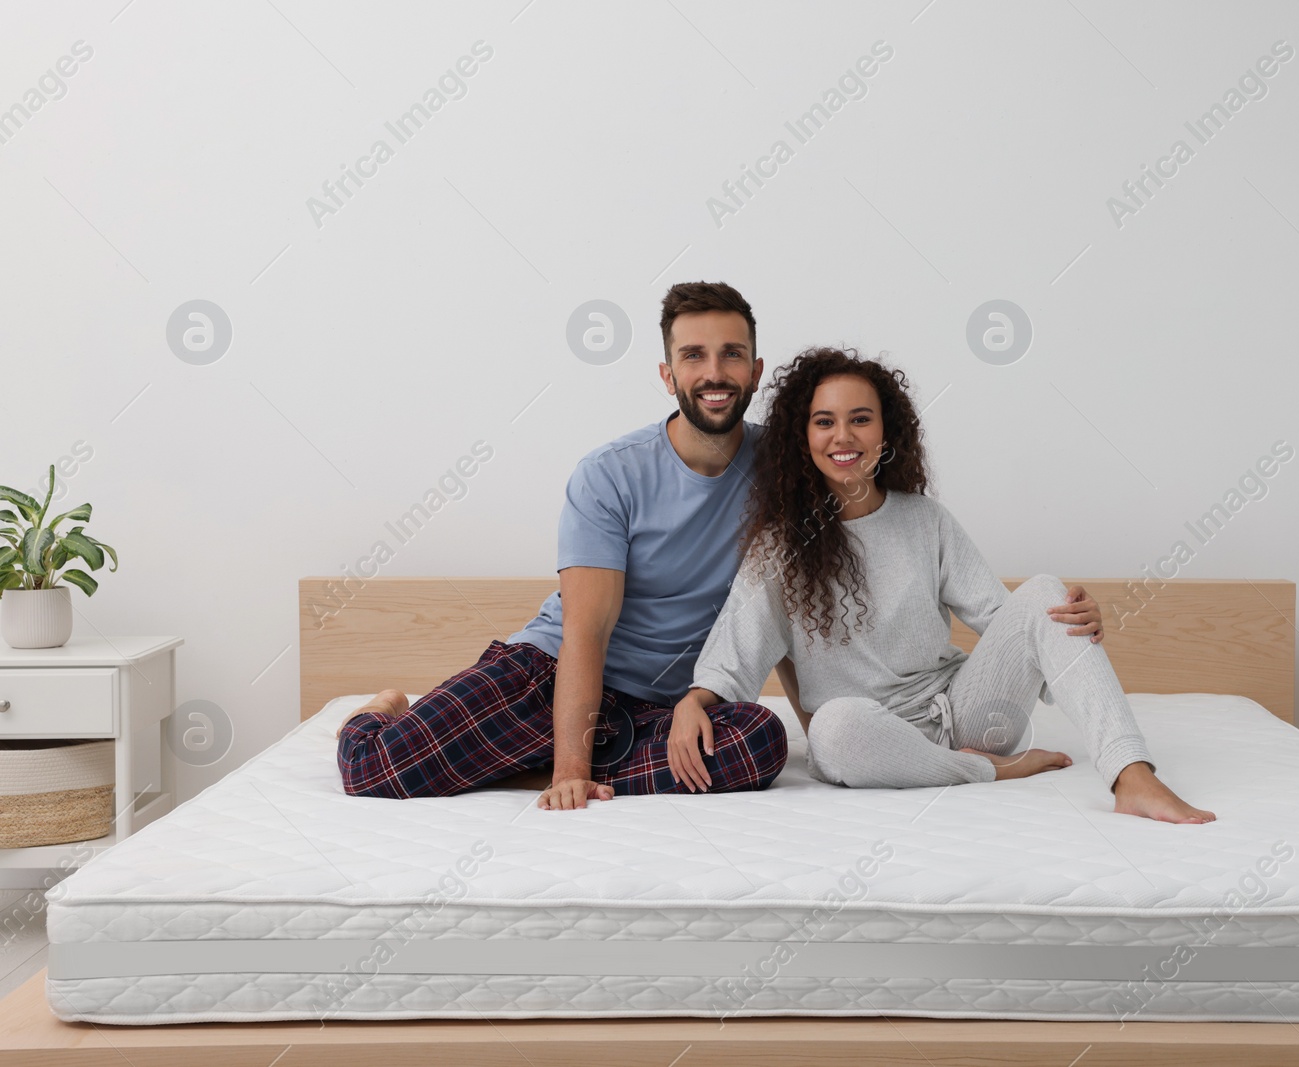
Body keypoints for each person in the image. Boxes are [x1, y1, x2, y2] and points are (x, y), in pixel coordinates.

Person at [677, 347, 1214, 824]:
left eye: (860, 419)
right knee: (832, 729)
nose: (843, 437)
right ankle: (988, 773)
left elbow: (1009, 620)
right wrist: (694, 701)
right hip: (870, 739)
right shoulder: (779, 546)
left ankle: (1132, 775)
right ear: (803, 437)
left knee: (1049, 591)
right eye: (824, 422)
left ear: (886, 432)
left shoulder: (925, 519)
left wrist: (1065, 628)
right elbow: (737, 649)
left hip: (967, 712)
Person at [336, 282, 788, 809]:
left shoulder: (784, 471)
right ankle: (386, 712)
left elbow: (799, 604)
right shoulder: (611, 474)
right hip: (550, 675)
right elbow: (586, 631)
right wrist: (570, 773)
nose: (714, 373)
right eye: (693, 356)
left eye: (732, 354)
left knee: (760, 742)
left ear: (755, 371)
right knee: (373, 771)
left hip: (659, 709)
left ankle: (524, 766)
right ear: (668, 376)